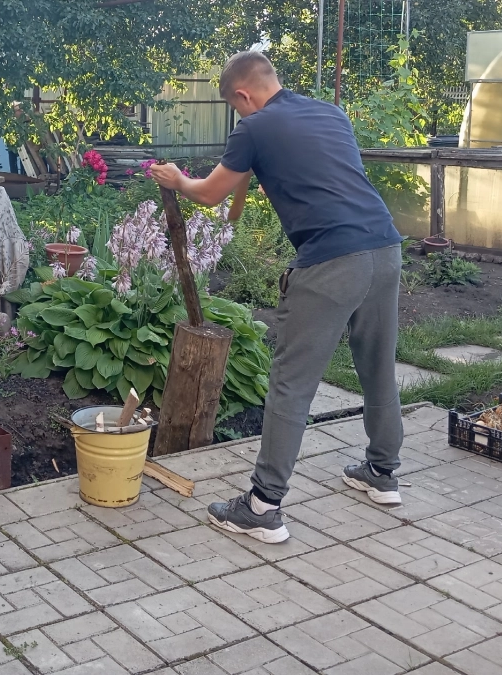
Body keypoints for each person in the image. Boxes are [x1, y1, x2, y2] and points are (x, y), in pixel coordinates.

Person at [151, 51, 405, 544]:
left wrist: (176, 180)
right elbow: (301, 179)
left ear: (243, 95)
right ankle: (382, 472)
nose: (239, 119)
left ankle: (262, 506)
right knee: (378, 366)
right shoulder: (329, 113)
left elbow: (207, 194)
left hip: (332, 261)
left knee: (291, 382)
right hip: (386, 249)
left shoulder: (256, 127)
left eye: (235, 108)